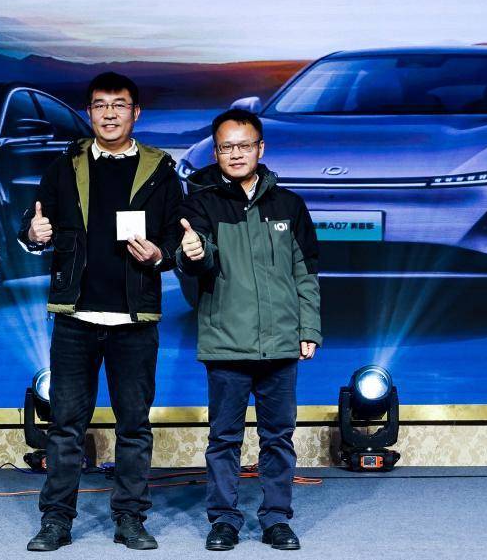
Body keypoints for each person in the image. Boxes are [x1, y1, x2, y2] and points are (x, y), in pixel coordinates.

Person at [18, 72, 183, 552]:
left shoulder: (160, 170)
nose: (109, 113)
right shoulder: (64, 165)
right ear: (89, 112)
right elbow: (32, 223)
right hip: (75, 318)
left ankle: (130, 518)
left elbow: (177, 236)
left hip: (135, 320)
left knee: (134, 426)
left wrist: (160, 254)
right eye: (100, 105)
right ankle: (56, 520)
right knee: (65, 427)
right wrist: (33, 234)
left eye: (119, 104)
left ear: (136, 112)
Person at [175, 108, 321, 552]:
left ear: (260, 148)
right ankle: (223, 520)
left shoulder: (289, 205)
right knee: (224, 439)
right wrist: (193, 252)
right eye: (226, 147)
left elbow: (305, 273)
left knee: (278, 438)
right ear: (215, 152)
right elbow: (196, 261)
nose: (235, 154)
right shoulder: (200, 203)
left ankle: (276, 518)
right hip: (226, 343)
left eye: (244, 145)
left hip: (281, 343)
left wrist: (308, 328)